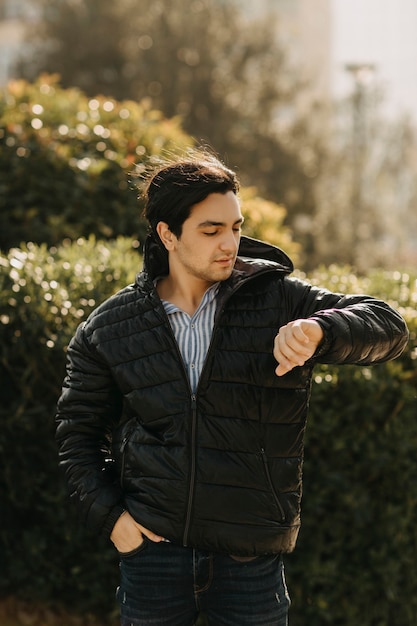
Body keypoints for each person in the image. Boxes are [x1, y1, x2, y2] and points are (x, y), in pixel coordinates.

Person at [55, 149, 409, 626]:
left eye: (236, 227)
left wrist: (322, 331)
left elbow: (388, 326)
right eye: (211, 230)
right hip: (154, 560)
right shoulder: (111, 328)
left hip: (250, 566)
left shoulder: (280, 299)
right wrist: (115, 522)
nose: (230, 243)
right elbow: (76, 436)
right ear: (168, 234)